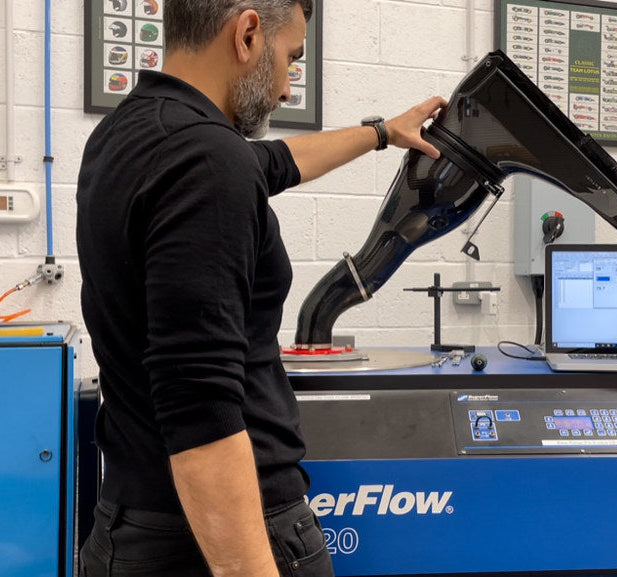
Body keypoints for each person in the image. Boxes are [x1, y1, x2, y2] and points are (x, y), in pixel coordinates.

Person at [76, 1, 447, 575]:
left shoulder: (128, 133)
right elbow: (198, 404)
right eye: (290, 58)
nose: (287, 85)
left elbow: (272, 162)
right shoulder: (207, 159)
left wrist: (380, 133)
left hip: (129, 524)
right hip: (218, 536)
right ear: (247, 33)